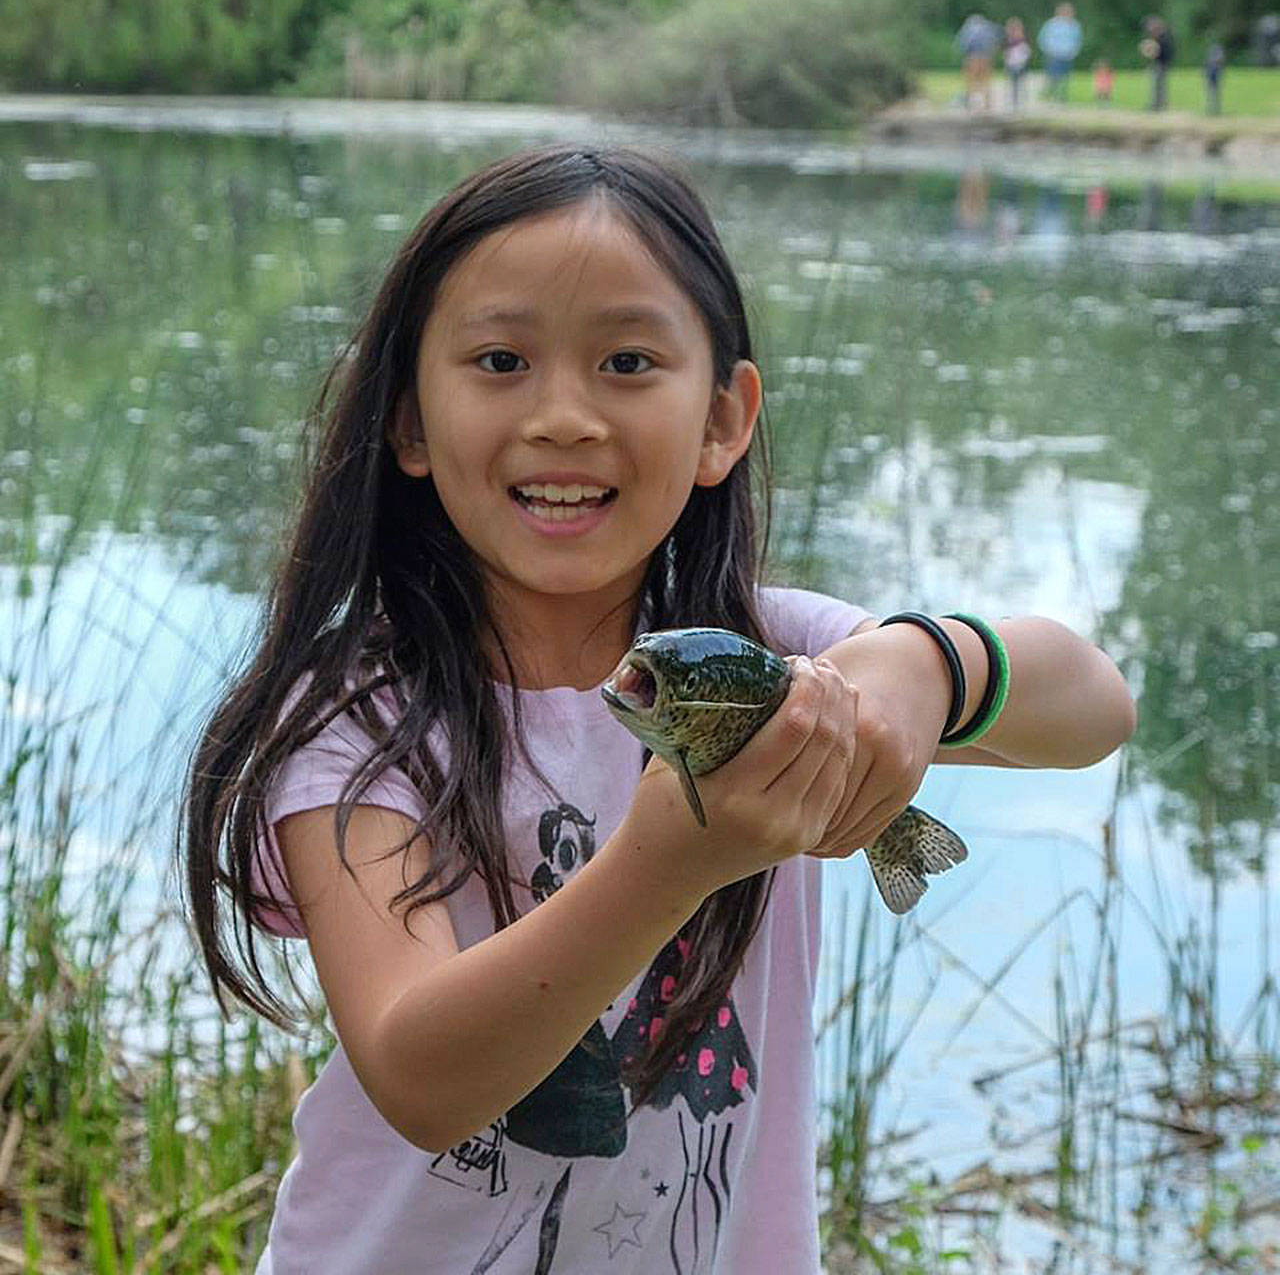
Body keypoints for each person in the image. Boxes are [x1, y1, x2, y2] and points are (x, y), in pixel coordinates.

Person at [179, 146, 1137, 1274]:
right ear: (410, 423)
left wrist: (924, 669)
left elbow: (1093, 705)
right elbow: (419, 1077)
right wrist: (668, 862)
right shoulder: (350, 722)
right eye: (500, 360)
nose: (565, 417)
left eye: (627, 361)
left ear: (723, 419)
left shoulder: (775, 653)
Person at [1038, 2, 1084, 103]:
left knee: (1065, 76)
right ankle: (1051, 94)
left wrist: (1074, 51)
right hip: (1054, 55)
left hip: (1068, 55)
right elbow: (1043, 39)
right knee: (1053, 76)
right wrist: (1049, 51)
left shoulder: (1075, 26)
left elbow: (1078, 40)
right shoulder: (1051, 24)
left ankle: (1062, 97)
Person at [955, 13, 1001, 109]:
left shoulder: (968, 30)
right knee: (986, 82)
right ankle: (987, 103)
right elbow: (995, 42)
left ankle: (969, 103)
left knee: (970, 82)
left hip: (972, 57)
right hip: (986, 57)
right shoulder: (988, 29)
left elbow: (962, 44)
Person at [1141, 16, 1175, 111]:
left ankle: (1159, 105)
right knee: (1158, 85)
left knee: (1159, 85)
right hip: (1160, 63)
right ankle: (1158, 104)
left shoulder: (1163, 38)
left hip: (1161, 64)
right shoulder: (1162, 37)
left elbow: (1158, 51)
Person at [1003, 17, 1033, 107]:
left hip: (1022, 65)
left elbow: (1027, 53)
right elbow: (1006, 54)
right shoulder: (1008, 42)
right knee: (1013, 85)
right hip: (1011, 65)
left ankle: (1022, 102)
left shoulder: (1024, 41)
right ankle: (1013, 102)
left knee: (1022, 84)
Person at [1205, 42, 1225, 115]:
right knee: (1211, 94)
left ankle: (1215, 109)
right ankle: (1210, 109)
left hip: (1215, 78)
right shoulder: (1211, 64)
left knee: (1215, 94)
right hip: (1211, 78)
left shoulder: (1216, 65)